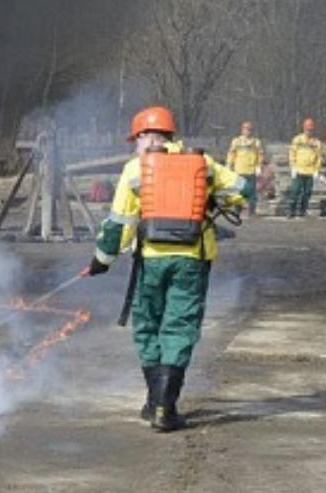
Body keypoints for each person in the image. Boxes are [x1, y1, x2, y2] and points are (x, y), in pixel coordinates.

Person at [88, 105, 244, 432]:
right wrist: (213, 200)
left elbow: (119, 224)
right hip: (192, 259)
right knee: (179, 326)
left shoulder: (135, 170)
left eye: (136, 138)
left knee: (147, 326)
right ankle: (164, 405)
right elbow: (243, 190)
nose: (135, 145)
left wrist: (101, 260)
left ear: (146, 135)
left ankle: (152, 401)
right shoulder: (202, 163)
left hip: (150, 260)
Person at [285, 118, 323, 218]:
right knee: (295, 191)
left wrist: (316, 170)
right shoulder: (297, 140)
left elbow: (318, 157)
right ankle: (291, 211)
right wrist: (293, 166)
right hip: (299, 170)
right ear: (304, 128)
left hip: (310, 171)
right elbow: (292, 153)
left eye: (310, 129)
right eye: (307, 129)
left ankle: (303, 211)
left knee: (307, 193)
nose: (309, 131)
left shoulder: (316, 143)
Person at [225, 121, 264, 216]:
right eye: (246, 129)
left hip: (251, 170)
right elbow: (231, 153)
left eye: (249, 130)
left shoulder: (256, 142)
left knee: (252, 192)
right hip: (239, 170)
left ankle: (252, 212)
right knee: (239, 192)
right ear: (242, 130)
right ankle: (237, 211)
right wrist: (229, 165)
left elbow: (260, 155)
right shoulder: (236, 141)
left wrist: (259, 166)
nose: (248, 131)